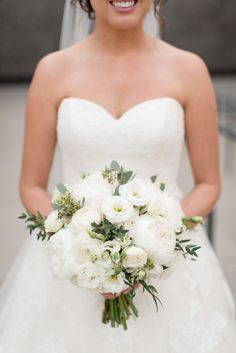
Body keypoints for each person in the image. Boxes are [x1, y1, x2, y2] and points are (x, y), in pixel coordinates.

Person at [0, 1, 236, 352]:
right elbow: (31, 185)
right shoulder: (52, 71)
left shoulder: (189, 70)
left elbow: (209, 183)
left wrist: (153, 248)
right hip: (72, 262)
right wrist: (82, 249)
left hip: (170, 259)